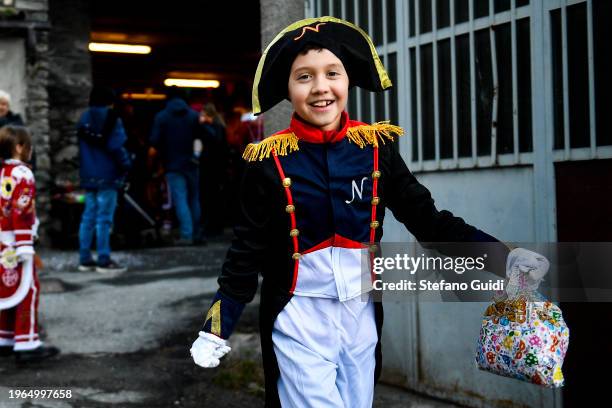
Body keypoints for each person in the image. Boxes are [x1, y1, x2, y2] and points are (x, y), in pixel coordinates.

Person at [189, 17, 550, 407]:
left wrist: (505, 257)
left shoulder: (376, 148)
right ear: (288, 89)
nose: (321, 87)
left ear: (348, 81)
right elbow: (245, 253)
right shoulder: (267, 161)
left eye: (332, 73)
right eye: (304, 77)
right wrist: (216, 327)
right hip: (297, 319)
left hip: (361, 317)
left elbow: (430, 223)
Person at [0, 125, 60, 362]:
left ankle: (4, 338)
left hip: (1, 243)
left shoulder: (2, 172)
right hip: (16, 243)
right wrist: (25, 245)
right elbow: (22, 212)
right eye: (29, 144)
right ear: (19, 147)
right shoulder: (22, 174)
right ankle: (27, 343)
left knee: (5, 292)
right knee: (28, 290)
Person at [77, 86, 131, 273]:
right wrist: (127, 164)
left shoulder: (84, 118)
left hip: (88, 174)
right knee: (104, 219)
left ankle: (84, 258)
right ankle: (103, 259)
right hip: (108, 175)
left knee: (88, 217)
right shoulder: (112, 118)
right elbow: (116, 147)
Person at [150, 87, 201, 245]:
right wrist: (196, 157)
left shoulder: (162, 117)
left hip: (172, 163)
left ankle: (187, 234)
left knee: (180, 199)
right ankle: (196, 234)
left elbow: (154, 143)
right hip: (192, 163)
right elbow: (200, 138)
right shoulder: (194, 115)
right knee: (194, 199)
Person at [198, 103, 228, 237]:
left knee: (210, 197)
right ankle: (217, 225)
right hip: (218, 167)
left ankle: (212, 226)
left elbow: (215, 143)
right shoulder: (220, 126)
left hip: (211, 167)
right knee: (216, 197)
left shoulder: (212, 127)